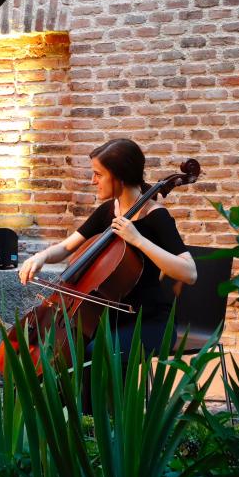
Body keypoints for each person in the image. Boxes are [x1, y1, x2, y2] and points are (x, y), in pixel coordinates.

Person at [18, 138, 197, 355]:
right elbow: (66, 248)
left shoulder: (156, 216)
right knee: (58, 351)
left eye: (99, 174)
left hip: (148, 322)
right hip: (106, 318)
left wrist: (138, 239)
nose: (93, 180)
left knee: (96, 353)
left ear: (119, 177)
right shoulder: (107, 211)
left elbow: (189, 273)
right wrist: (41, 257)